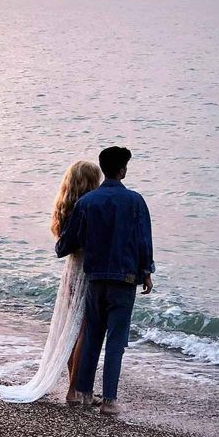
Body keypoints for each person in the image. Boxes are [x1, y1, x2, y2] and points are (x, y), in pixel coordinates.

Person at [56, 146, 155, 415]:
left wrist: (63, 246)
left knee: (92, 338)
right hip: (124, 279)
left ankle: (86, 394)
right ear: (122, 170)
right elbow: (143, 240)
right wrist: (147, 271)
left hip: (95, 278)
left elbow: (66, 244)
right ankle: (109, 401)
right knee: (116, 341)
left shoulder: (86, 203)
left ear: (103, 169)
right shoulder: (135, 201)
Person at [0, 161, 101, 403]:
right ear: (91, 183)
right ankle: (75, 390)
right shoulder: (88, 209)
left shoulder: (67, 208)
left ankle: (75, 388)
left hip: (71, 271)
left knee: (70, 331)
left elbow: (64, 244)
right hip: (86, 272)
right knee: (83, 330)